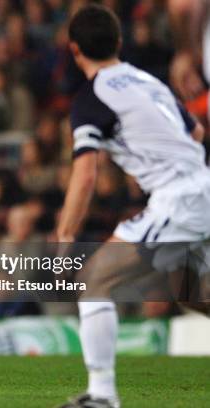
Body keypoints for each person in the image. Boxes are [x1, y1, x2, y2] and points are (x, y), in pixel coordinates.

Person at [56, 5, 209, 408]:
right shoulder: (150, 81)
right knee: (192, 294)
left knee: (95, 280)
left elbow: (86, 175)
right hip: (200, 185)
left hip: (179, 196)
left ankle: (103, 395)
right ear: (119, 42)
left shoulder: (91, 99)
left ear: (74, 50)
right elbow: (195, 132)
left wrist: (67, 233)